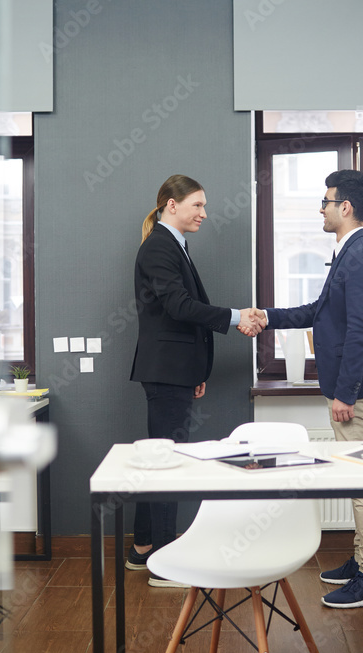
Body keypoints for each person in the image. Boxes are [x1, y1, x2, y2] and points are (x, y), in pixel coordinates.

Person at [249, 169, 363, 608]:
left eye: (326, 201)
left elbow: (360, 332)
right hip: (351, 387)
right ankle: (362, 561)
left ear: (345, 207)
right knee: (356, 480)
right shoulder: (348, 253)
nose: (321, 207)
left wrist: (346, 393)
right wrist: (267, 317)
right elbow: (320, 311)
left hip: (358, 390)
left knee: (362, 483)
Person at [127, 174, 263, 587]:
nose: (204, 213)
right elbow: (180, 306)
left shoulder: (173, 246)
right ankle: (164, 565)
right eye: (197, 206)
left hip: (175, 371)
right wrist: (238, 317)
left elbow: (180, 315)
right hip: (165, 370)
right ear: (172, 204)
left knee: (159, 460)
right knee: (167, 465)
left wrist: (196, 371)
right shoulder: (159, 248)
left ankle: (143, 548)